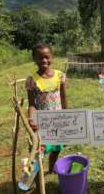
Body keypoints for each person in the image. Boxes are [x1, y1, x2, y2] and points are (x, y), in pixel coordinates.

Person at [25, 43, 67, 174]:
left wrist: (68, 115)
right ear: (34, 59)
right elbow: (32, 103)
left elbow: (63, 98)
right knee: (40, 150)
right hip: (42, 122)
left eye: (47, 57)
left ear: (52, 57)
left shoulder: (60, 76)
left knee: (57, 147)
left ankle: (52, 167)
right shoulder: (32, 80)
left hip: (58, 119)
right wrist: (31, 119)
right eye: (40, 57)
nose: (44, 60)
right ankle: (36, 174)